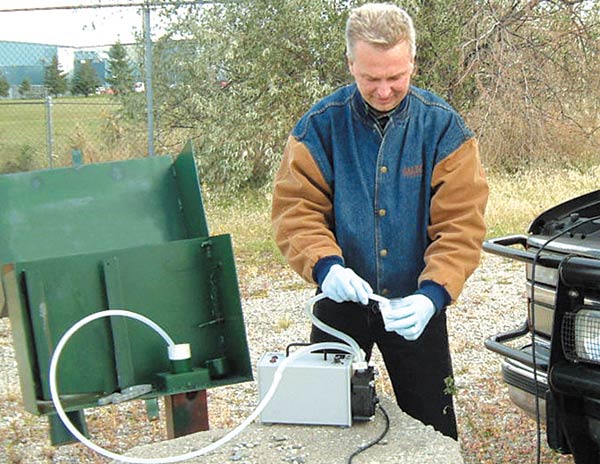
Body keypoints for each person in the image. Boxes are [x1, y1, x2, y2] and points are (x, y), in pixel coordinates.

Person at [271, 2, 488, 439]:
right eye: (371, 78)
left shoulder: (445, 128)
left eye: (395, 77)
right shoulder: (319, 127)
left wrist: (434, 294)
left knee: (434, 428)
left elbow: (461, 224)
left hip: (416, 305)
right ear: (350, 63)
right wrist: (324, 266)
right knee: (328, 428)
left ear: (412, 61)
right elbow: (296, 210)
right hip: (340, 302)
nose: (385, 90)